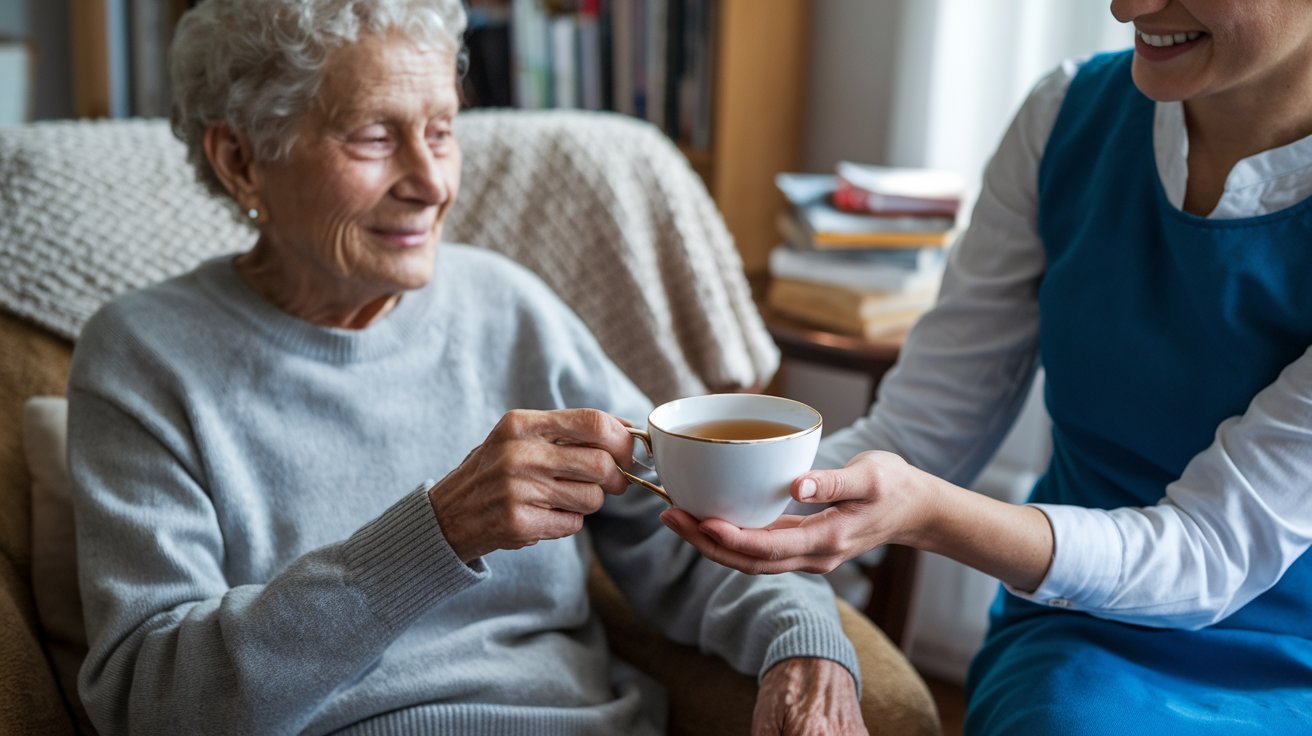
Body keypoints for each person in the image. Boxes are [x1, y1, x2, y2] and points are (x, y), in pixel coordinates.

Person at [65, 1, 868, 733]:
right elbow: (150, 702)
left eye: (442, 130)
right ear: (241, 159)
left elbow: (697, 529)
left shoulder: (508, 307)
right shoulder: (144, 357)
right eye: (375, 137)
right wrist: (437, 532)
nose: (431, 183)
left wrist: (802, 641)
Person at [662, 0, 1312, 732]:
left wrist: (931, 514)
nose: (1126, 6)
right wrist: (679, 473)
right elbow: (919, 433)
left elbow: (1210, 552)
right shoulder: (1066, 117)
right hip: (1081, 633)